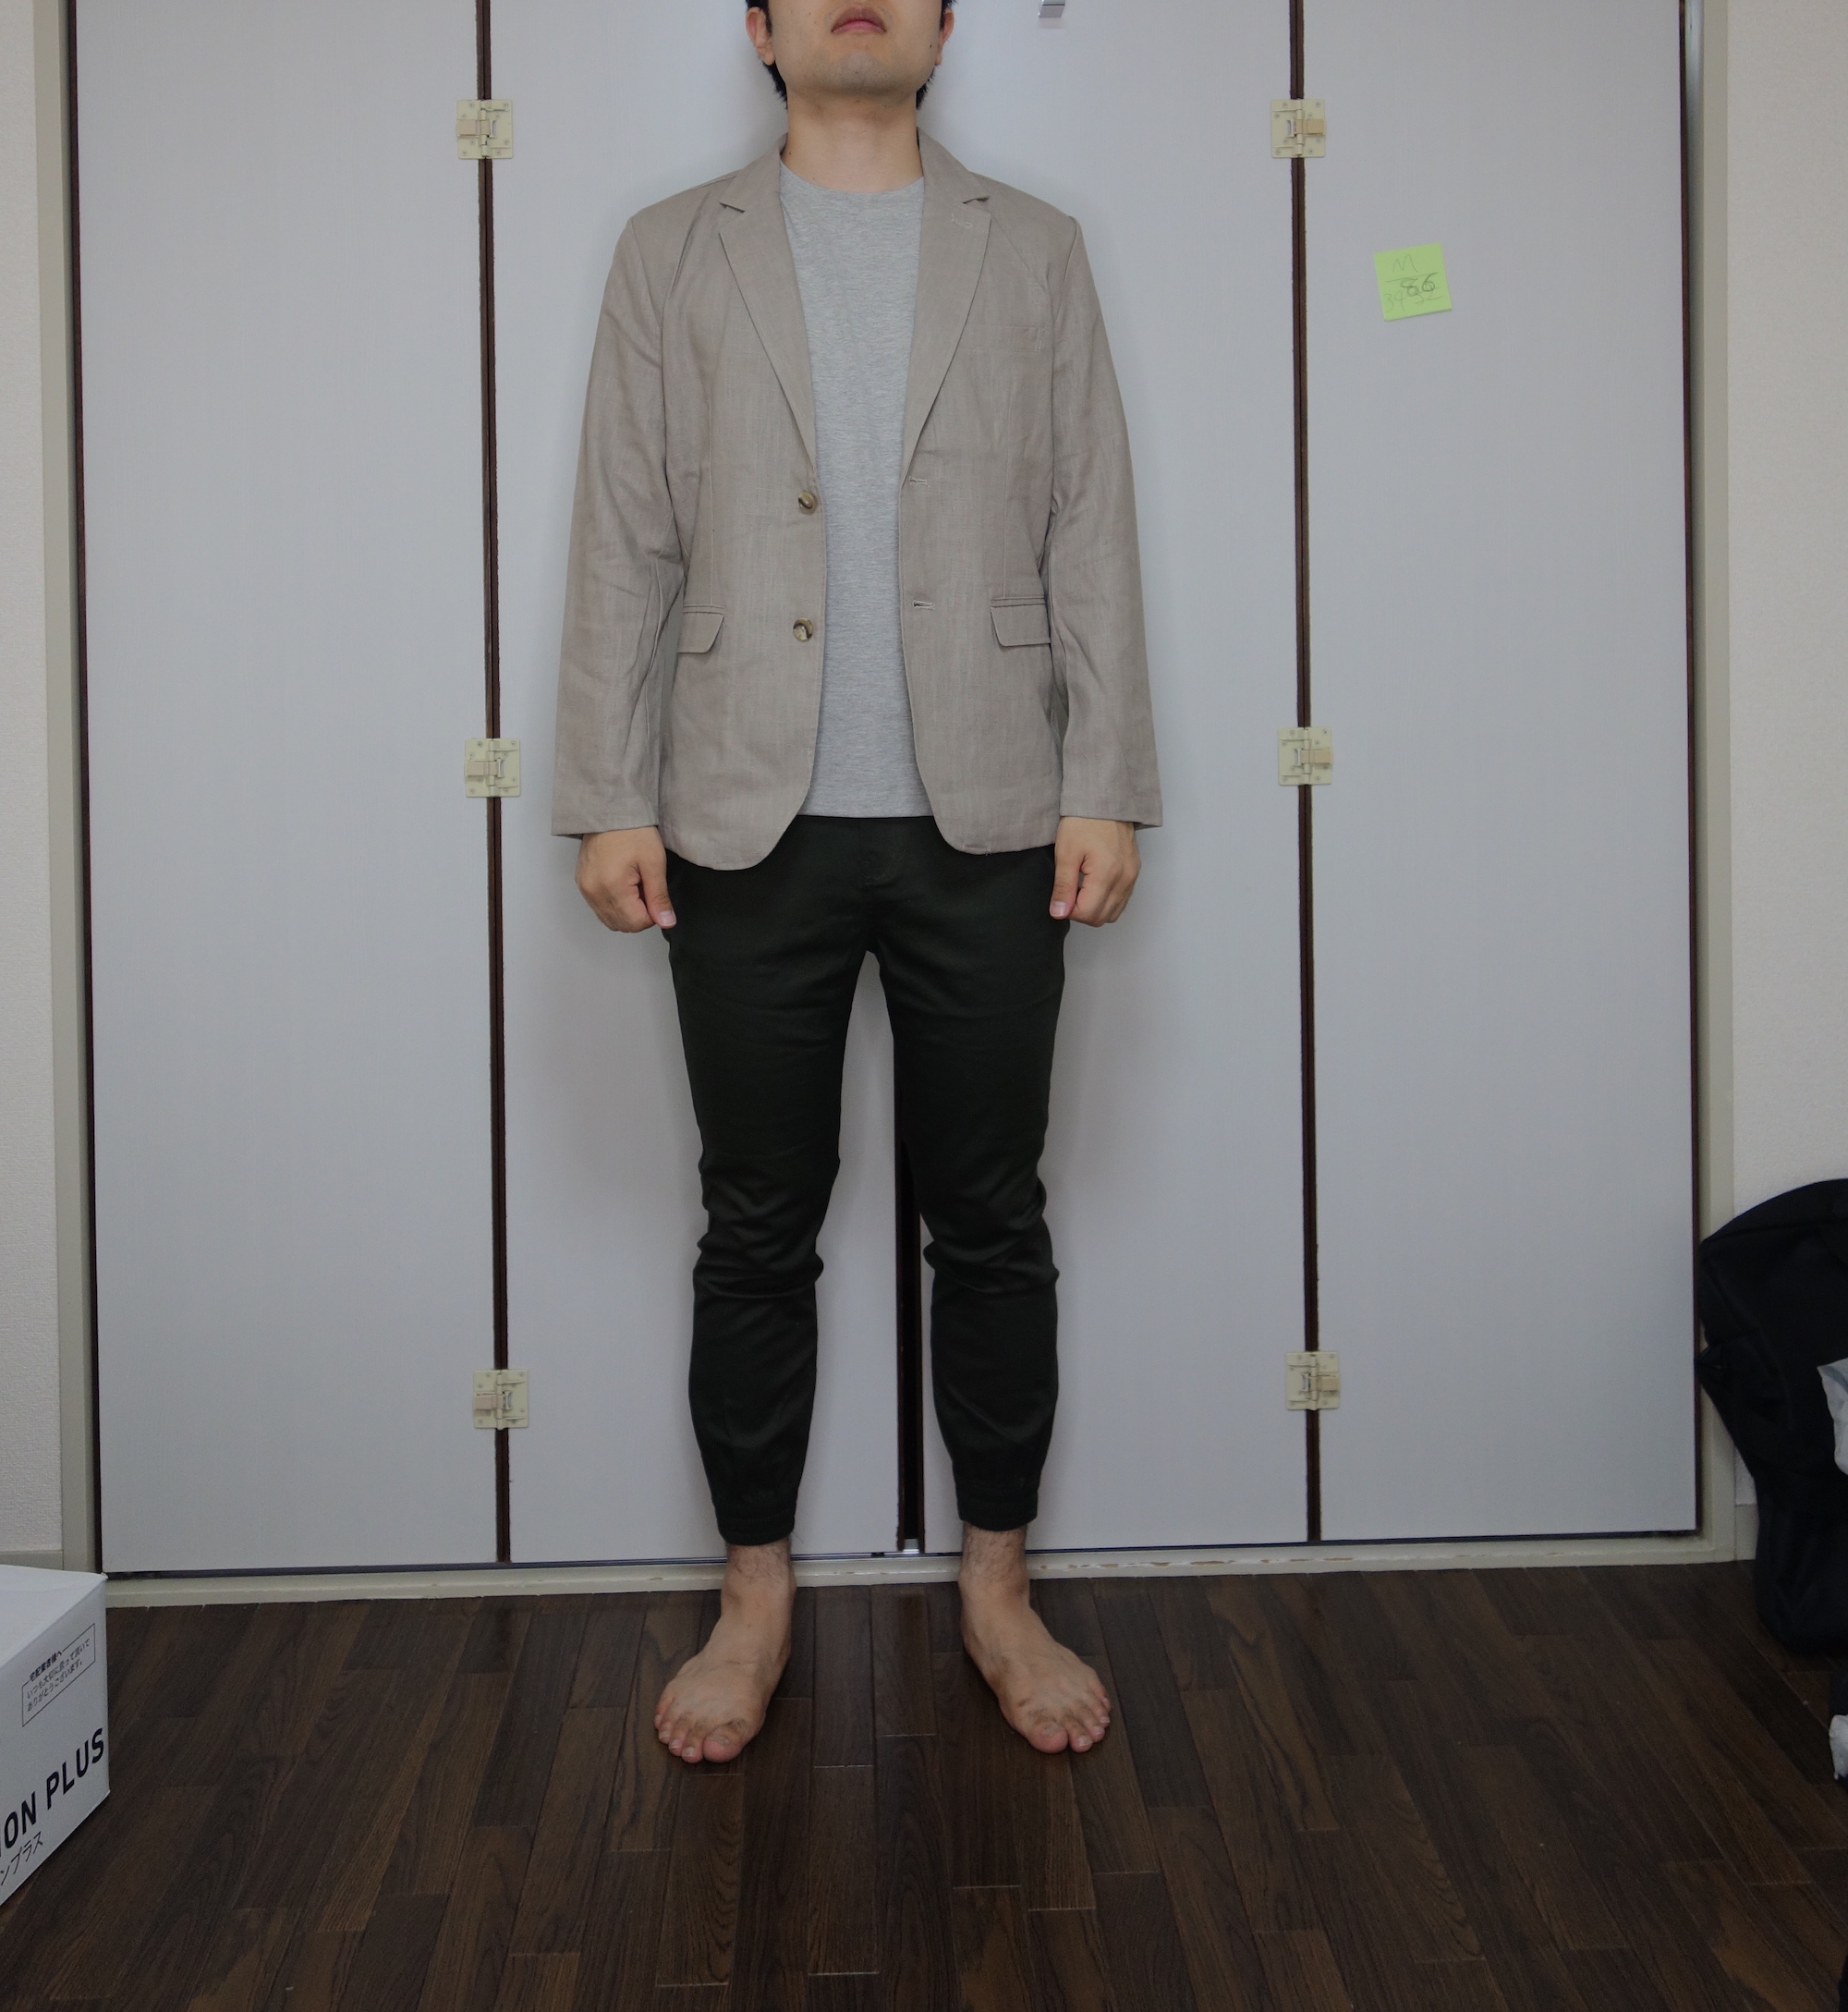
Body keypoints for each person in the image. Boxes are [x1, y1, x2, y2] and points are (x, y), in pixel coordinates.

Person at [553, 0, 1160, 1763]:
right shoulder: (671, 251)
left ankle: (997, 1586)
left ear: (946, 23)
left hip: (996, 813)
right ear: (760, 27)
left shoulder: (1033, 248)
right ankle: (753, 1597)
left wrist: (1107, 780)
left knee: (994, 1218)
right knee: (757, 1224)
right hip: (745, 815)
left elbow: (1092, 523)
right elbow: (623, 534)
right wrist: (605, 793)